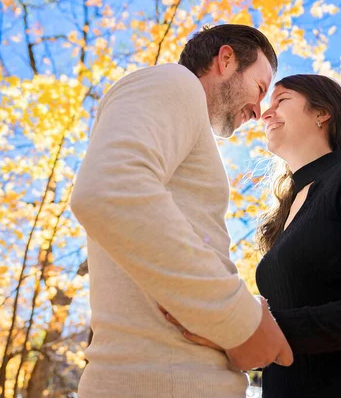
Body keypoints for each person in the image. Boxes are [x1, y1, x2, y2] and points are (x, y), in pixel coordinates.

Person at [69, 24, 293, 398]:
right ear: (225, 59)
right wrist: (239, 320)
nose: (258, 110)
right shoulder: (175, 81)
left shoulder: (182, 117)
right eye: (259, 88)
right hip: (164, 382)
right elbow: (110, 189)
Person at [165, 74, 341, 397]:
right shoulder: (281, 218)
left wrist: (257, 329)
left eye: (281, 101)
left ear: (322, 113)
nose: (265, 114)